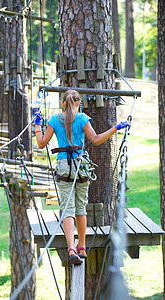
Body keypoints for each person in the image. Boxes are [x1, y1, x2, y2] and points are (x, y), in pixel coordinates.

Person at [34, 89, 130, 265]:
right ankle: (82, 246)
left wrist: (37, 125)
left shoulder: (55, 119)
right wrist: (115, 128)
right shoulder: (83, 119)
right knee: (81, 207)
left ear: (63, 103)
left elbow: (41, 144)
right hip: (81, 166)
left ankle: (71, 248)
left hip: (64, 167)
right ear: (78, 103)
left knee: (67, 208)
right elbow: (96, 139)